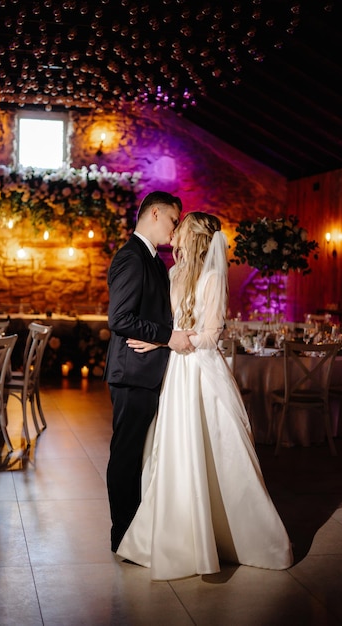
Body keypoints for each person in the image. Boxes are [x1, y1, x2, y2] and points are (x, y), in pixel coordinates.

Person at [116, 211, 293, 580]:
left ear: (193, 236)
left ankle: (233, 534)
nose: (174, 231)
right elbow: (168, 324)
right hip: (176, 371)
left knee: (214, 448)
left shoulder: (211, 278)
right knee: (175, 448)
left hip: (200, 369)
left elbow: (211, 334)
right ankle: (174, 534)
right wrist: (160, 341)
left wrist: (179, 340)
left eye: (180, 227)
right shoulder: (173, 273)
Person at [104, 191, 195, 553]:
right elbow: (120, 319)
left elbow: (153, 315)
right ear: (155, 213)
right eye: (174, 221)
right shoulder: (132, 257)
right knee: (126, 455)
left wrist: (162, 339)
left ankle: (138, 531)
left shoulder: (154, 259)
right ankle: (122, 535)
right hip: (132, 373)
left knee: (140, 454)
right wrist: (168, 338)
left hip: (146, 369)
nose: (175, 231)